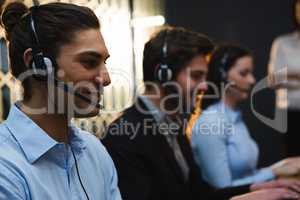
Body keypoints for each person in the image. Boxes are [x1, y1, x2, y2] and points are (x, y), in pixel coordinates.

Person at [102, 27, 300, 200]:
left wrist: (256, 188)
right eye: (196, 76)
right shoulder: (125, 136)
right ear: (163, 75)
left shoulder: (172, 125)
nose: (205, 85)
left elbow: (199, 193)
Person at [0, 2, 121, 200]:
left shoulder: (95, 152)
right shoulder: (5, 166)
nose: (107, 79)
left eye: (104, 63)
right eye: (90, 62)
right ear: (38, 65)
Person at [191, 44, 300, 189]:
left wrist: (281, 167)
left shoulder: (233, 118)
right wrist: (273, 172)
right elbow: (223, 190)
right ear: (223, 76)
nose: (252, 80)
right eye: (243, 73)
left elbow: (246, 176)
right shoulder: (212, 122)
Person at [268, 0, 300, 156]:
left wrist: (289, 74)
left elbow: (282, 76)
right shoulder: (282, 43)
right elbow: (273, 79)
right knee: (292, 156)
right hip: (289, 112)